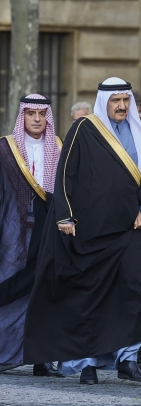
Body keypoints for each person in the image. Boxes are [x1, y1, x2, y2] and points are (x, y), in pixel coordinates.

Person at [23, 77, 141, 385]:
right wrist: (66, 216)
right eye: (115, 101)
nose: (122, 106)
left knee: (135, 292)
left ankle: (128, 359)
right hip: (91, 230)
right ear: (103, 102)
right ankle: (87, 363)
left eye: (125, 100)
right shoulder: (84, 130)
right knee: (91, 298)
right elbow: (65, 175)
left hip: (132, 228)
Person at [0, 95, 63, 377]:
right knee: (10, 286)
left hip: (48, 231)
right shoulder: (5, 149)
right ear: (22, 116)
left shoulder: (60, 147)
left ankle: (42, 359)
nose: (37, 119)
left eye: (41, 114)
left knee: (44, 291)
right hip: (11, 233)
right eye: (31, 114)